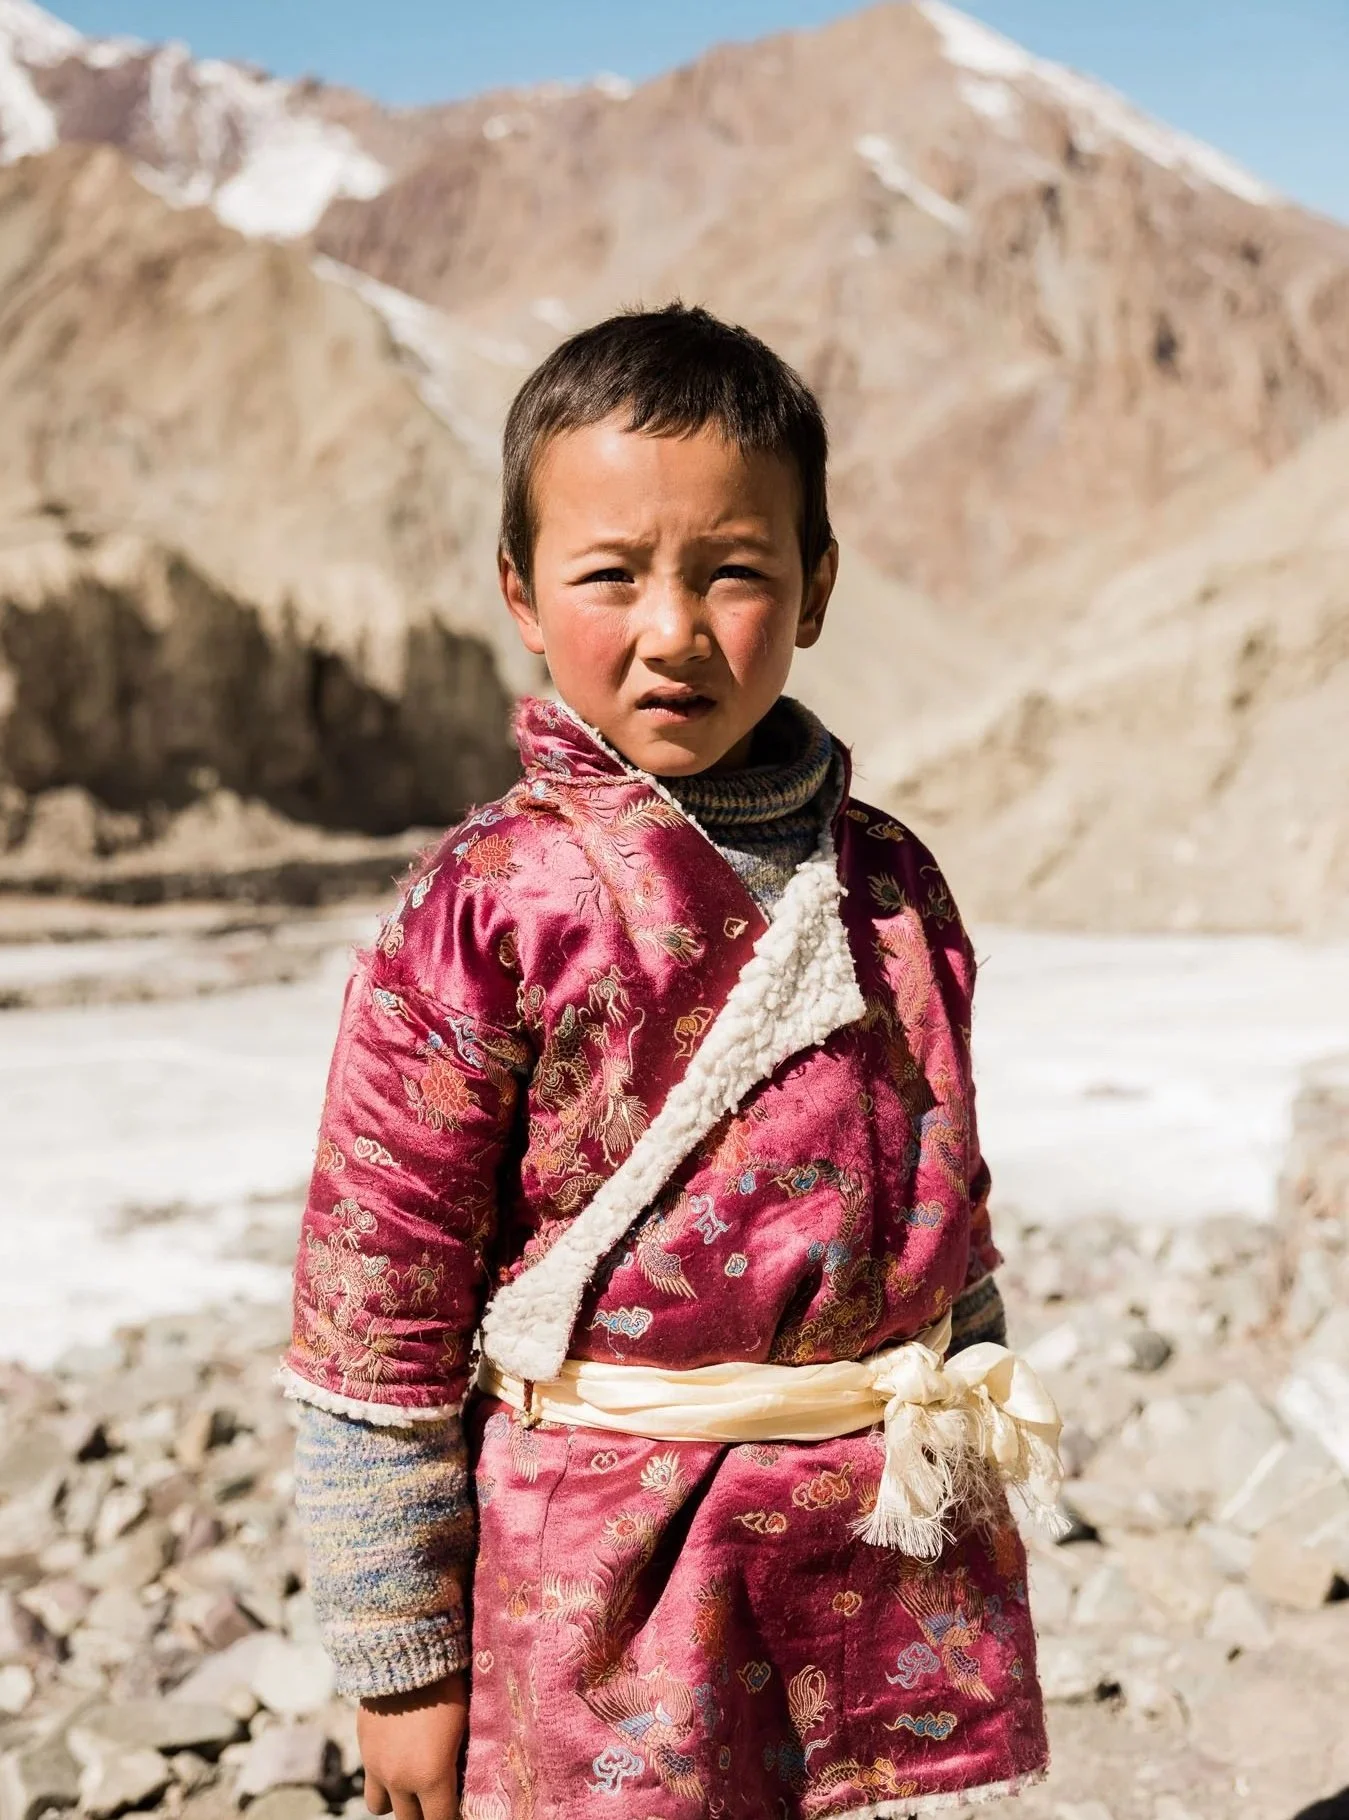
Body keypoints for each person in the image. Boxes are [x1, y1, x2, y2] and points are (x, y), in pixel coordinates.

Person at [281, 304, 1062, 1820]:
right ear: (518, 591)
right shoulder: (486, 911)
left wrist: (970, 1411)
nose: (673, 631)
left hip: (873, 1534)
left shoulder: (892, 880)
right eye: (611, 576)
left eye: (735, 573)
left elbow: (940, 1194)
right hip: (601, 1573)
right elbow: (376, 1312)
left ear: (818, 587)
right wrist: (401, 1664)